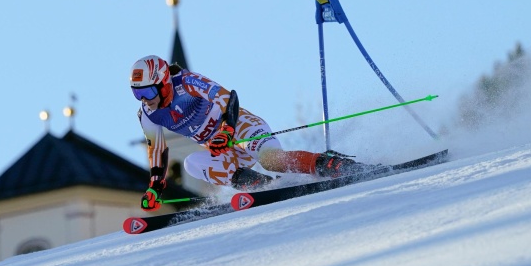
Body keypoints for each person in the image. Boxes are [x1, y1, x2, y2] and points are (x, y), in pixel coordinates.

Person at [130, 55, 364, 211]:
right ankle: (261, 186)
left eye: (148, 92)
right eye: (137, 94)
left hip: (240, 126)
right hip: (220, 148)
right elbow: (157, 149)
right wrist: (156, 186)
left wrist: (227, 130)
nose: (144, 100)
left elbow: (228, 98)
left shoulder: (187, 82)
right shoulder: (148, 115)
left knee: (272, 160)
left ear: (163, 83)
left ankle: (329, 163)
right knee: (192, 163)